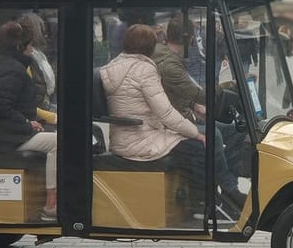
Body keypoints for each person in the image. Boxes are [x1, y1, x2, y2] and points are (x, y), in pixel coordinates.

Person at [100, 24, 215, 208]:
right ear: (151, 47)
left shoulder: (112, 66)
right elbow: (166, 113)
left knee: (188, 145)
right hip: (142, 140)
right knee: (197, 148)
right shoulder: (144, 70)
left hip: (122, 139)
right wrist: (196, 133)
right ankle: (200, 204)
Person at [152, 16, 245, 203]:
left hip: (182, 115)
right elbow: (202, 94)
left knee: (237, 130)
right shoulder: (170, 65)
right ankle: (226, 188)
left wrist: (194, 105)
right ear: (192, 40)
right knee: (215, 135)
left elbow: (175, 92)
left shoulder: (166, 57)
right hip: (169, 126)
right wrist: (228, 84)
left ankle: (225, 180)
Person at [0, 22, 58, 222]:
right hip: (9, 135)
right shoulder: (14, 71)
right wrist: (27, 123)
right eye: (30, 45)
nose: (32, 50)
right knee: (58, 143)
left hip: (2, 131)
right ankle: (51, 205)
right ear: (19, 46)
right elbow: (1, 106)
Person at [18, 13, 56, 111]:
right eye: (42, 29)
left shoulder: (39, 55)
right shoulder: (27, 58)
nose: (45, 33)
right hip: (38, 109)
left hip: (45, 103)